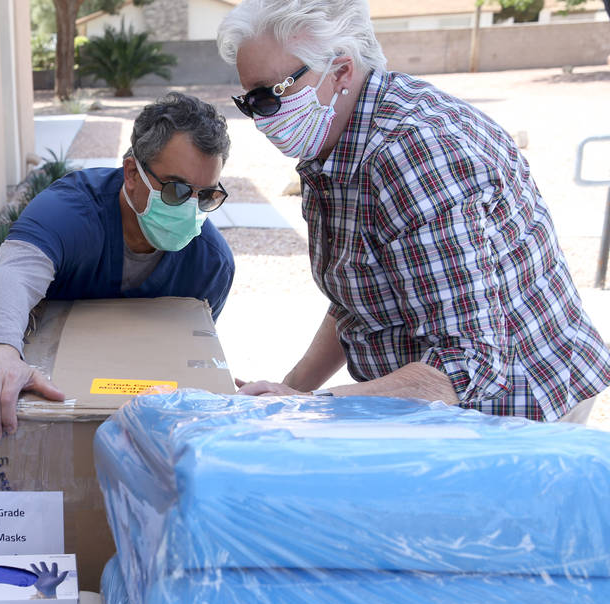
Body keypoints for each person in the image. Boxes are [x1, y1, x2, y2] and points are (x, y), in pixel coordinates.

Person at [217, 0, 610, 422]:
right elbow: (360, 299)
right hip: (438, 401)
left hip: (518, 410)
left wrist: (307, 407)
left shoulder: (415, 155)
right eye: (249, 102)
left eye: (270, 96)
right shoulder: (336, 136)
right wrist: (290, 389)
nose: (261, 119)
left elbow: (468, 365)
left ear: (341, 72)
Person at [0, 92, 236, 439]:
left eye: (207, 195)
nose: (191, 208)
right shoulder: (68, 212)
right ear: (133, 173)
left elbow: (188, 349)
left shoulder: (210, 263)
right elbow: (13, 276)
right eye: (177, 191)